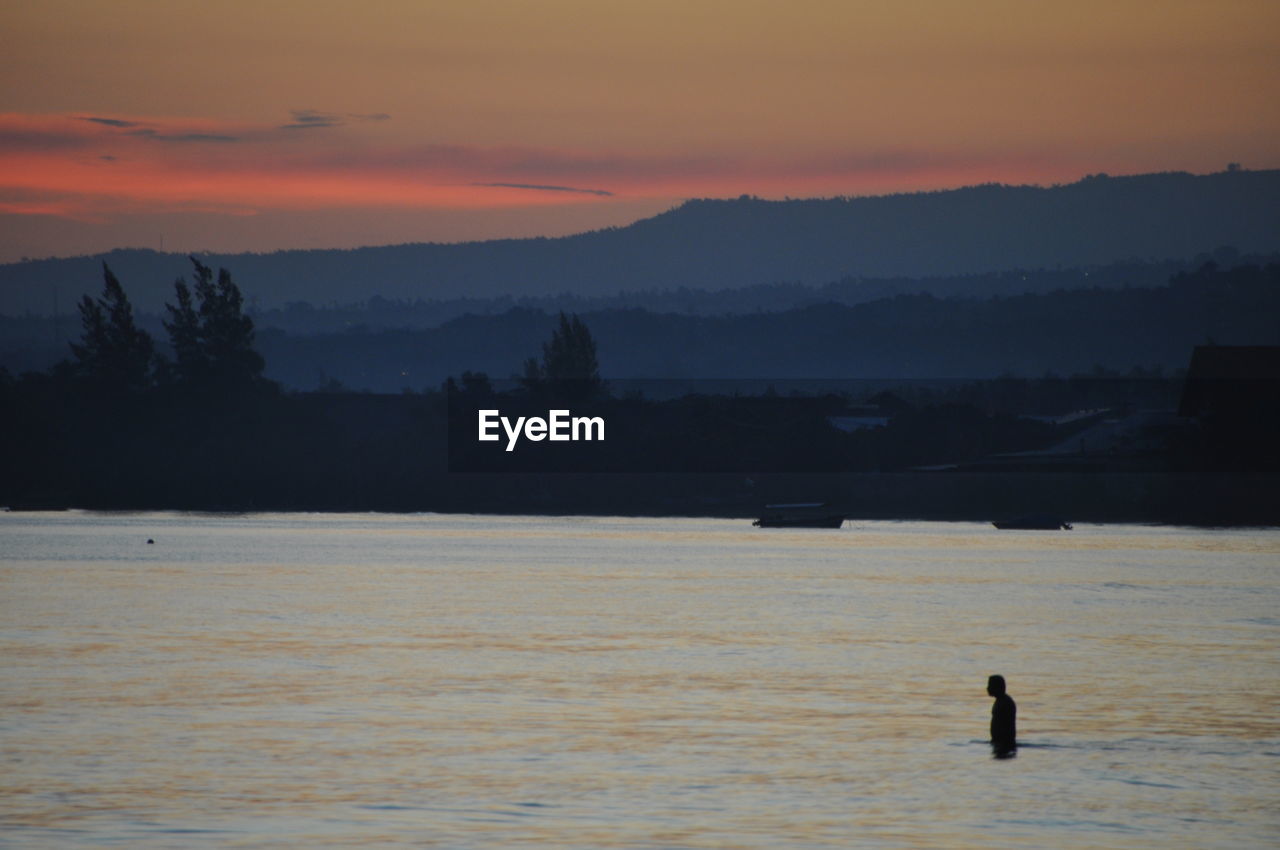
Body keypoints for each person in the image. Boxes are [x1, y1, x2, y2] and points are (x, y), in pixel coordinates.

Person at [987, 674, 1016, 755]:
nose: (987, 688)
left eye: (990, 685)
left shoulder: (1005, 702)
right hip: (998, 742)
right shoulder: (1000, 701)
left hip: (1004, 742)